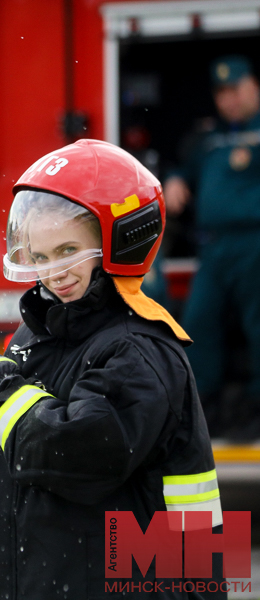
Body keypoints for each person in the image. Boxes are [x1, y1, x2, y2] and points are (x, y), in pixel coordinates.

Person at [0, 139, 224, 599]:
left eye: (69, 249)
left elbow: (71, 453)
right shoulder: (38, 337)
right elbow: (38, 486)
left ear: (119, 240)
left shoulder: (140, 352)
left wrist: (4, 387)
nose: (55, 272)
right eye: (41, 256)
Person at [164, 54, 260, 438]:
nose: (228, 100)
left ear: (254, 85)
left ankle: (254, 410)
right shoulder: (208, 138)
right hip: (215, 249)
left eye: (235, 89)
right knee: (199, 324)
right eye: (221, 92)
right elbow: (180, 166)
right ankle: (206, 411)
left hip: (255, 245)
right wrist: (173, 180)